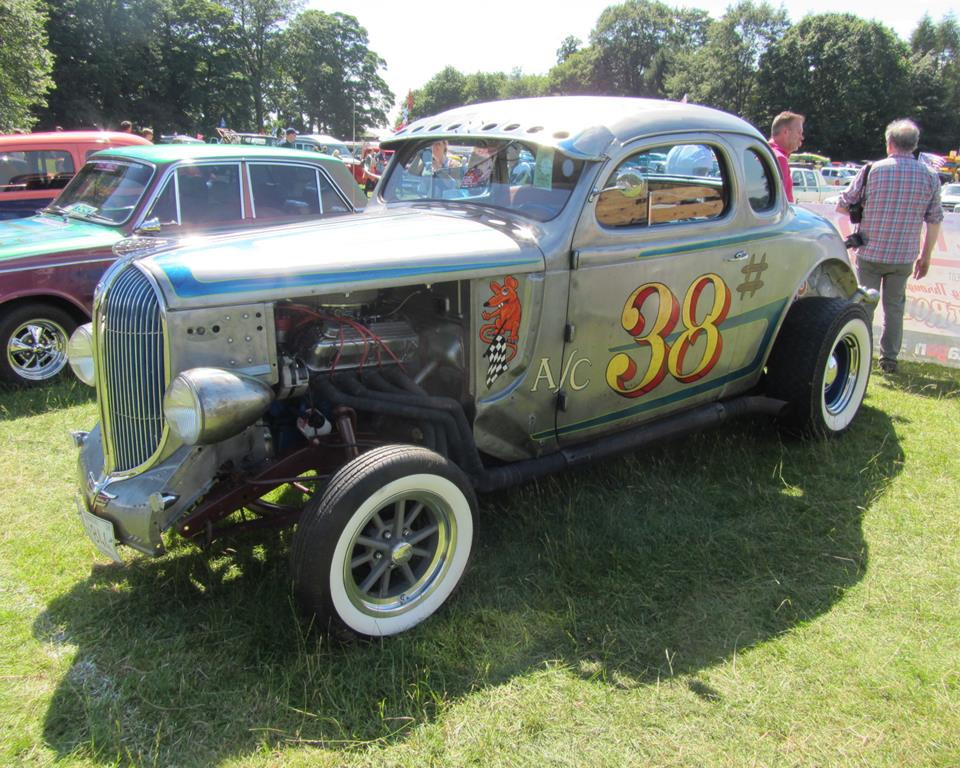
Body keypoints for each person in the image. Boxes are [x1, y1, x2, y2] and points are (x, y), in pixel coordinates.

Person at [836, 118, 943, 374]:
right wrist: (925, 257)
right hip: (904, 255)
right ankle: (889, 359)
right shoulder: (930, 176)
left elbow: (842, 204)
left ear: (890, 143)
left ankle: (858, 353)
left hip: (870, 250)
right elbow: (934, 220)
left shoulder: (873, 170)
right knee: (894, 307)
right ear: (914, 145)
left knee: (863, 304)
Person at [768, 111, 804, 203]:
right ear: (785, 132)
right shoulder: (779, 159)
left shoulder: (764, 151)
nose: (802, 137)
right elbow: (782, 204)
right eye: (799, 132)